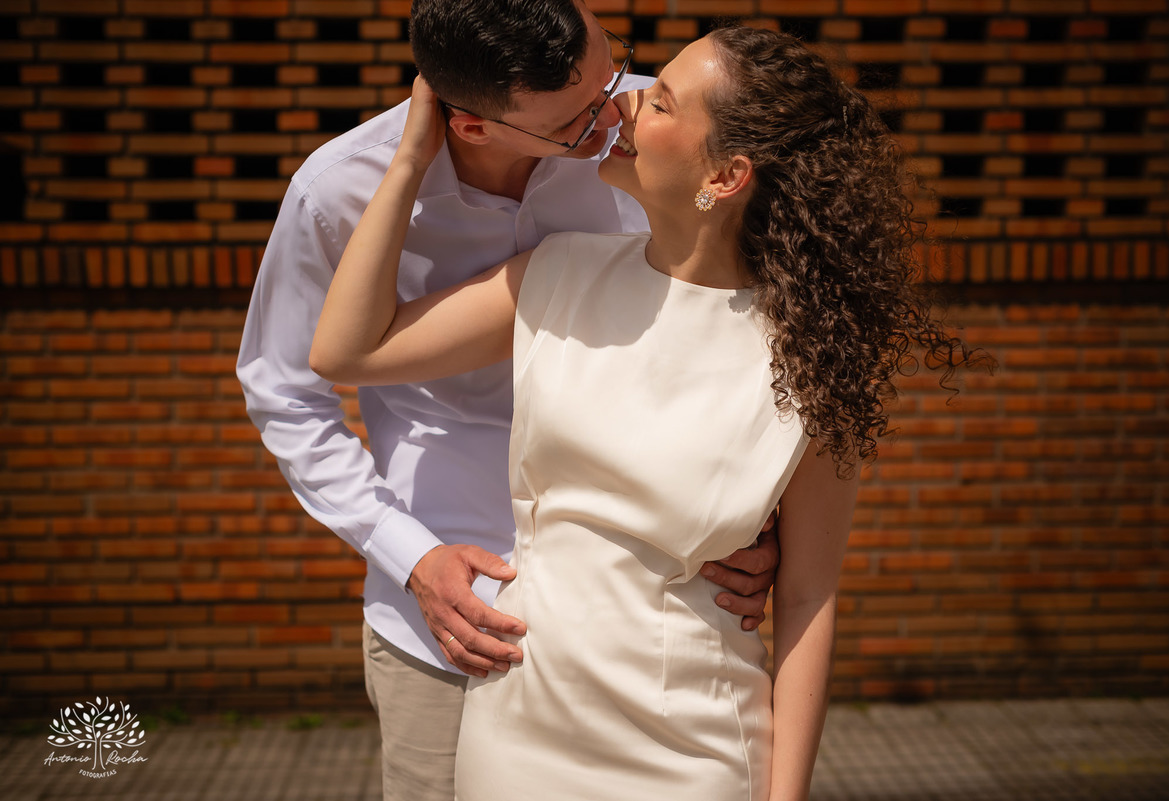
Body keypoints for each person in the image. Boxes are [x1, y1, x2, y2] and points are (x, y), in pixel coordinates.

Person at [310, 24, 987, 801]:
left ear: (724, 175)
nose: (625, 108)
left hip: (691, 749)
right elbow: (345, 353)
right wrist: (408, 161)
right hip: (518, 731)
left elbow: (807, 599)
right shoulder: (556, 271)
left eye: (659, 101)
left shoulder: (808, 359)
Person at [236, 2, 778, 799]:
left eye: (612, 70)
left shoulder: (642, 137)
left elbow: (731, 332)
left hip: (641, 606)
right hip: (454, 614)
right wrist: (405, 551)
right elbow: (288, 389)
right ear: (474, 125)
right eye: (579, 118)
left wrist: (758, 522)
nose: (615, 111)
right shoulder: (335, 192)